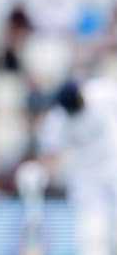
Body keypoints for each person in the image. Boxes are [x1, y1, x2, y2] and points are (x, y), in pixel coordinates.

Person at [37, 78, 117, 255]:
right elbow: (50, 154)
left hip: (113, 165)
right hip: (86, 177)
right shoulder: (57, 120)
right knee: (92, 232)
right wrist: (42, 175)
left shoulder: (101, 93)